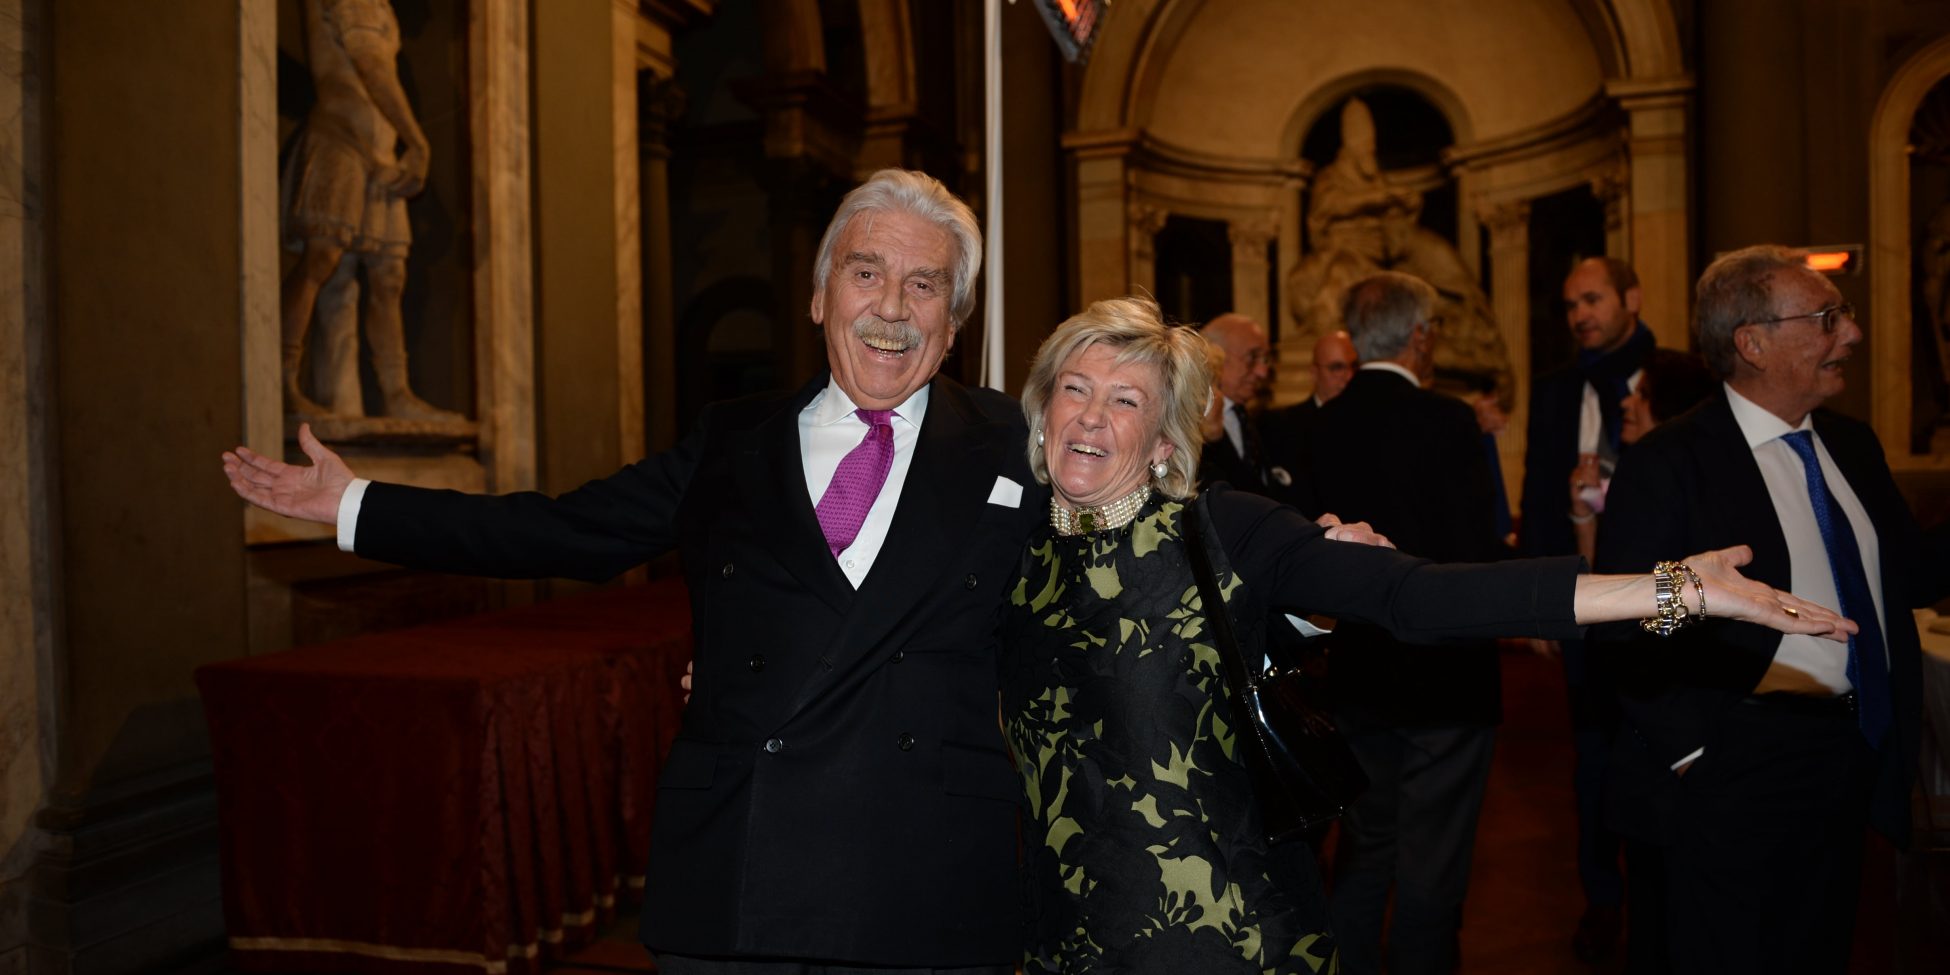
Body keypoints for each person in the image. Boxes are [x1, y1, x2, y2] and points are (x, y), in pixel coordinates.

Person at [226, 169, 1046, 975]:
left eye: (924, 285)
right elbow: (559, 529)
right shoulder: (731, 439)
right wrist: (356, 504)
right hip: (740, 871)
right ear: (819, 295)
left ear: (953, 324)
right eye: (866, 273)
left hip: (922, 879)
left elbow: (1083, 615)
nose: (892, 308)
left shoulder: (1012, 445)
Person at [1002, 295, 1852, 975]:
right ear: (1042, 411)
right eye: (1075, 389)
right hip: (1060, 943)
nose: (1091, 417)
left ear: (1163, 442)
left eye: (1125, 400)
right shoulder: (1006, 547)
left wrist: (1672, 589)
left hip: (1218, 941)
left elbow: (1422, 594)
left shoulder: (1224, 527)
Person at [1595, 245, 1950, 974]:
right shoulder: (1671, 460)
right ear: (1752, 343)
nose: (1851, 333)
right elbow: (1630, 623)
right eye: (1826, 318)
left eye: (1842, 315)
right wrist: (1694, 756)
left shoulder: (1852, 444)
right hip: (1736, 760)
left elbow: (1910, 575)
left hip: (1853, 751)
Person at [1297, 273, 1511, 974]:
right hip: (1446, 676)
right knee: (1433, 867)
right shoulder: (1450, 421)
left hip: (1359, 675)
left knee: (1364, 853)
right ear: (1421, 336)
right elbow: (1478, 552)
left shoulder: (1320, 425)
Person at [1518, 254, 1657, 959]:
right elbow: (1536, 493)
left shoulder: (1673, 377)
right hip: (1581, 597)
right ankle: (1603, 900)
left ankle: (1662, 905)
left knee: (1662, 750)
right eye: (1572, 305)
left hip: (1664, 596)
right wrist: (1535, 603)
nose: (1580, 316)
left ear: (1632, 297)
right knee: (1594, 757)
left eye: (1594, 299)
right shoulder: (1555, 389)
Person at [281, 0, 457, 420]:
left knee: (389, 276)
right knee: (322, 260)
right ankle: (284, 380)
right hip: (341, 137)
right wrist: (417, 141)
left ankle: (396, 392)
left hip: (380, 152)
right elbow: (370, 66)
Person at [1568, 349, 1718, 564]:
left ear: (1670, 405)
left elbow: (1630, 575)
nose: (1626, 403)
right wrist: (1584, 517)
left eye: (1643, 395)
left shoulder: (1649, 473)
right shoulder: (1688, 471)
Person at [1198, 312, 1293, 497]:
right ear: (1214, 356)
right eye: (1252, 358)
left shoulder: (1256, 417)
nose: (1262, 372)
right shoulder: (1191, 420)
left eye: (1265, 359)